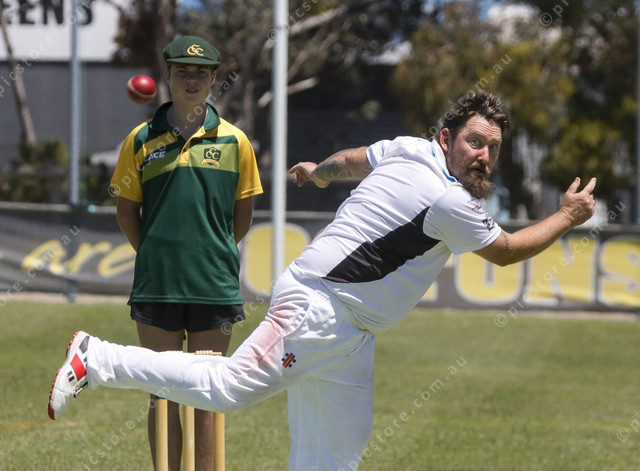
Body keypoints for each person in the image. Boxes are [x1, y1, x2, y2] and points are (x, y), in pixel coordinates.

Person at [49, 91, 596, 470]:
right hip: (318, 308)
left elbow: (351, 161)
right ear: (447, 138)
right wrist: (568, 216)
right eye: (476, 142)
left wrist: (317, 173)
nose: (485, 156)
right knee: (229, 388)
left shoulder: (408, 147)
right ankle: (96, 359)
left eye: (494, 148)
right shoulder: (448, 199)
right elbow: (506, 252)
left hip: (351, 332)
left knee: (337, 455)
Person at [105, 35, 263, 470]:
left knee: (206, 397)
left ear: (213, 79)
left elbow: (243, 215)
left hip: (214, 285)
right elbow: (126, 210)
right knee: (163, 396)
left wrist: (212, 253)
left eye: (201, 73)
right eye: (182, 72)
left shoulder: (236, 141)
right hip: (157, 284)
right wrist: (154, 253)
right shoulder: (140, 139)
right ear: (168, 76)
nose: (191, 80)